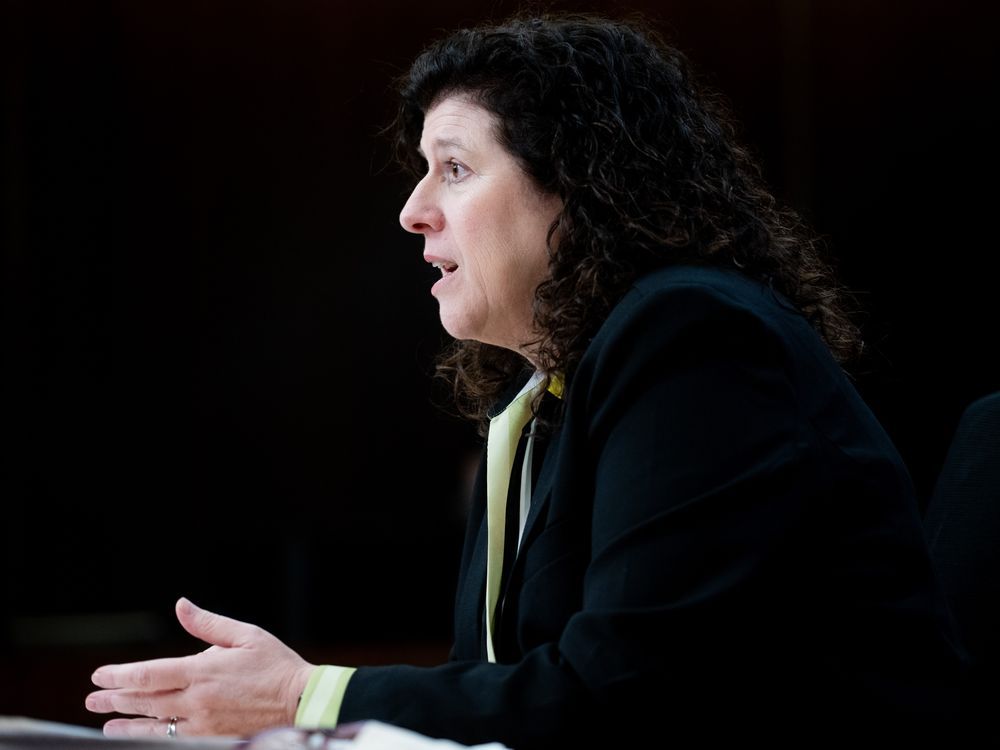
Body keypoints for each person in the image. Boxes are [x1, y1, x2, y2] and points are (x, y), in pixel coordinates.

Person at [84, 12, 967, 747]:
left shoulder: (693, 337)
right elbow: (510, 701)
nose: (412, 210)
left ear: (579, 186)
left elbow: (618, 700)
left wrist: (304, 701)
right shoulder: (539, 400)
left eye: (456, 169)